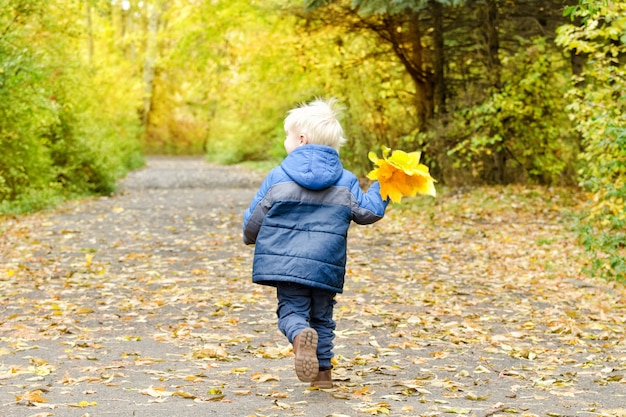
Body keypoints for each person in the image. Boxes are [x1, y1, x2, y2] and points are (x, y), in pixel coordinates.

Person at [242, 98, 388, 388]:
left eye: (287, 136)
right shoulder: (345, 180)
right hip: (325, 266)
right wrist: (384, 184)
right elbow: (367, 212)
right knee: (323, 318)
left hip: (285, 264)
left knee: (292, 312)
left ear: (301, 139)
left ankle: (298, 337)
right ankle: (323, 376)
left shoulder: (278, 176)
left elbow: (255, 217)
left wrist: (250, 237)